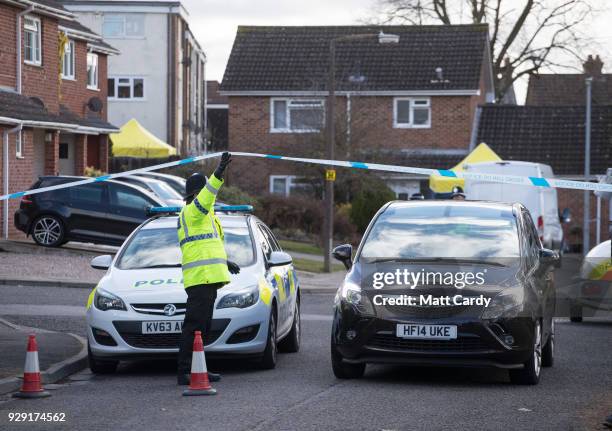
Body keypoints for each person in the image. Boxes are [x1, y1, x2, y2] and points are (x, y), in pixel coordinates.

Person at [176, 152, 241, 386]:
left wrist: (225, 262)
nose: (209, 197)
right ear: (196, 193)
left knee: (202, 328)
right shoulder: (193, 212)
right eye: (204, 192)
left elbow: (207, 247)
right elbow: (208, 195)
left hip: (207, 278)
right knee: (194, 326)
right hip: (200, 279)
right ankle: (184, 371)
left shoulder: (204, 217)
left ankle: (199, 368)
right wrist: (218, 172)